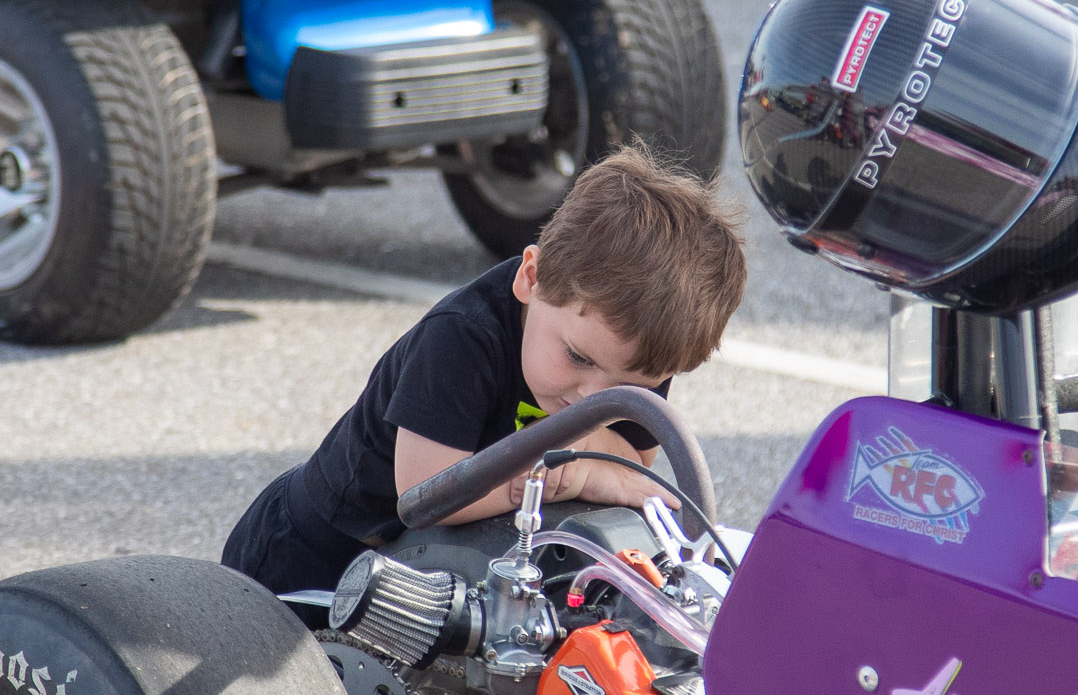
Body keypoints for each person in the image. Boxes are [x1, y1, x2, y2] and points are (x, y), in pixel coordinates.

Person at [222, 143, 747, 596]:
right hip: (317, 554)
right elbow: (426, 496)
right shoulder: (463, 336)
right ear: (531, 277)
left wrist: (597, 463)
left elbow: (634, 456)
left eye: (630, 387)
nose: (594, 400)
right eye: (578, 359)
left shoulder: (633, 349)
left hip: (429, 565)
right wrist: (577, 475)